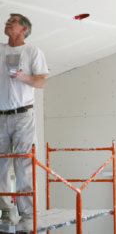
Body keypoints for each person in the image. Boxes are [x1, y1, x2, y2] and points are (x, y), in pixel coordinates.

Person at [0, 14, 49, 222]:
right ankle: (4, 211)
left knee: (23, 164)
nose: (8, 22)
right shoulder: (1, 50)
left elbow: (41, 82)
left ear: (24, 29)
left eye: (14, 20)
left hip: (23, 115)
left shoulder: (32, 51)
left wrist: (23, 77)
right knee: (0, 165)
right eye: (7, 20)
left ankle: (28, 216)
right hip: (1, 116)